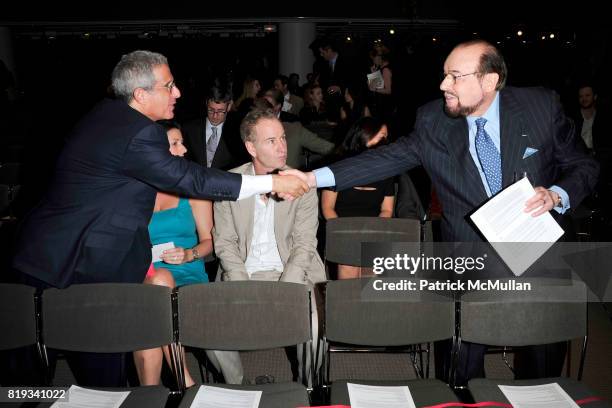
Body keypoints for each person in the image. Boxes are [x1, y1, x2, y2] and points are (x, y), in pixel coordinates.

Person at [284, 39, 599, 385]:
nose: (443, 85)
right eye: (444, 75)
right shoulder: (433, 120)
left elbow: (584, 165)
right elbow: (384, 159)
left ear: (490, 81)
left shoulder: (540, 106)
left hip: (536, 250)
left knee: (541, 367)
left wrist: (557, 194)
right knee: (461, 368)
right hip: (467, 255)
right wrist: (312, 177)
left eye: (455, 76)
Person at [10, 50, 307, 387]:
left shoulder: (108, 115)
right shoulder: (137, 132)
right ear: (141, 95)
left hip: (75, 259)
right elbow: (191, 179)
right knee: (36, 386)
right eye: (169, 86)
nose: (178, 92)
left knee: (98, 374)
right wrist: (271, 181)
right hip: (66, 262)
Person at [208, 107, 326, 386]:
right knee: (207, 322)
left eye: (283, 138)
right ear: (251, 147)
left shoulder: (302, 184)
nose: (282, 146)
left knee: (314, 322)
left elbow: (305, 244)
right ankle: (236, 384)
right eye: (272, 141)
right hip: (242, 275)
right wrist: (242, 286)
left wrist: (286, 291)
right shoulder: (229, 184)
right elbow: (224, 243)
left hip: (292, 273)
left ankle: (307, 386)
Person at [133, 120, 210, 388]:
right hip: (144, 274)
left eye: (182, 142)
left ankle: (161, 390)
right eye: (175, 144)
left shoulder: (193, 188)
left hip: (188, 273)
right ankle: (182, 384)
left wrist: (189, 254)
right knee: (157, 282)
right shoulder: (136, 193)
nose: (184, 149)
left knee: (147, 331)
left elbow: (209, 242)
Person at [321, 117, 394, 279]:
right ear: (365, 135)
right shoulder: (338, 165)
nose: (385, 141)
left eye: (386, 137)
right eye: (381, 136)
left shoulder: (386, 169)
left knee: (372, 268)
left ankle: (367, 303)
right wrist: (348, 233)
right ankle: (346, 302)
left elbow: (387, 210)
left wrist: (371, 232)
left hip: (373, 230)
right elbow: (327, 208)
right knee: (349, 265)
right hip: (341, 228)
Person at [261, 89, 334, 170]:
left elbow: (327, 147)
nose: (263, 108)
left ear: (278, 106)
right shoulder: (252, 128)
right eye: (262, 103)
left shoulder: (293, 124)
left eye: (268, 104)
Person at [182, 83, 249, 170]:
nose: (215, 116)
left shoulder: (238, 133)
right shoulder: (189, 129)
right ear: (206, 103)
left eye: (221, 111)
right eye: (211, 110)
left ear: (229, 106)